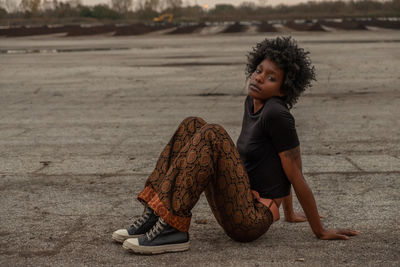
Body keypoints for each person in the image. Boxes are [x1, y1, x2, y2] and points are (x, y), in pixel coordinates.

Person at [112, 36, 359, 255]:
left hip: (250, 220)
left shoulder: (277, 115)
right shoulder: (252, 102)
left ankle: (172, 230)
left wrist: (319, 230)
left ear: (284, 90)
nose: (260, 78)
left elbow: (295, 172)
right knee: (192, 125)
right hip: (239, 199)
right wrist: (289, 213)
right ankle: (156, 214)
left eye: (271, 78)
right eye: (259, 71)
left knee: (213, 133)